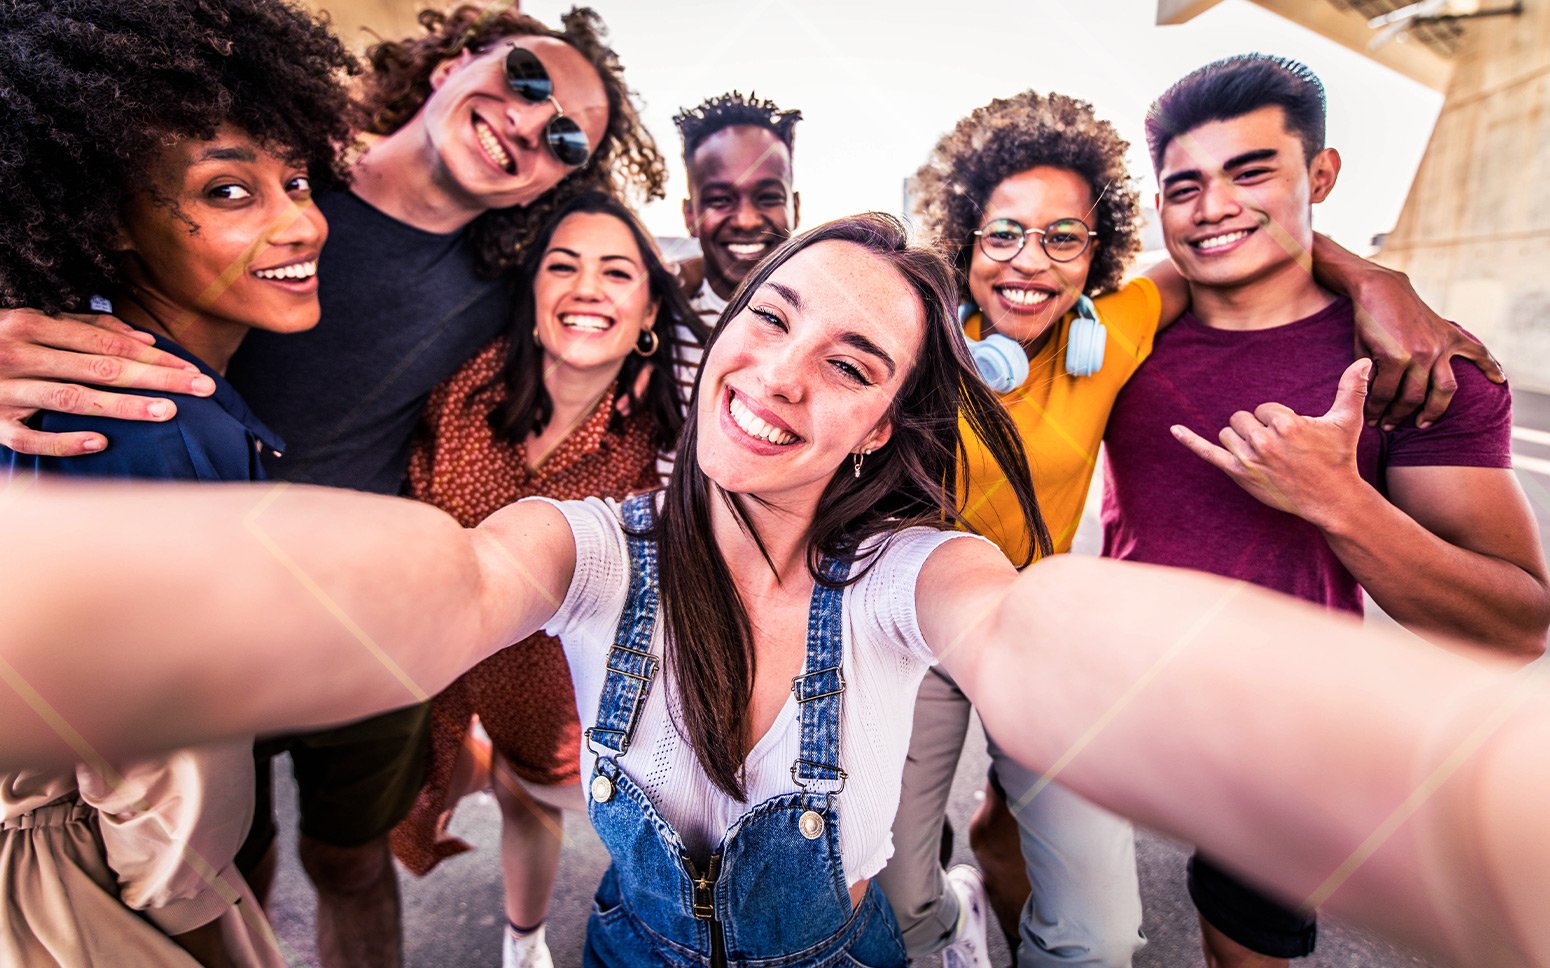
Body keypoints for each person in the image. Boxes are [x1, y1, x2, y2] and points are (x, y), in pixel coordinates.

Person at [1, 214, 1546, 968]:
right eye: (770, 319)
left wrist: (1466, 790)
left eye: (852, 362)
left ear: (885, 423)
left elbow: (1045, 635)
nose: (782, 379)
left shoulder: (912, 577)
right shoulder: (586, 541)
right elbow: (424, 592)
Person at [0, 5, 666, 965]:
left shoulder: (511, 270)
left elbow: (623, 306)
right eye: (526, 77)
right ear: (454, 58)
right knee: (222, 863)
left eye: (566, 134)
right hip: (194, 599)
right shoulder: (254, 155)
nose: (530, 122)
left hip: (361, 613)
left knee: (350, 861)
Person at [885, 89, 1506, 968]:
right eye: (1003, 233)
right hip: (908, 641)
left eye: (1064, 236)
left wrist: (1375, 276)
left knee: (1100, 936)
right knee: (896, 901)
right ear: (965, 239)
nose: (1032, 260)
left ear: (1096, 252)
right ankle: (956, 918)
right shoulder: (912, 348)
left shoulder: (1119, 332)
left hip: (1037, 637)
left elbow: (1227, 246)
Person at [1102, 53, 1550, 968]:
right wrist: (1366, 270)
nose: (1213, 206)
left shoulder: (1420, 373)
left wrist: (1340, 502)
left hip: (1278, 730)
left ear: (1322, 175)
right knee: (1040, 885)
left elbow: (1516, 625)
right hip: (1105, 692)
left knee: (1249, 951)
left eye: (1250, 171)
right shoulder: (1130, 327)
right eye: (1183, 185)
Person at [0, 0, 353, 963]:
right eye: (230, 193)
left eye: (295, 180)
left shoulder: (67, 379)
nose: (301, 224)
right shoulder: (148, 419)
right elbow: (163, 783)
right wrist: (200, 930)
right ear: (107, 219)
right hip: (88, 890)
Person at [388, 191, 691, 968]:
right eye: (564, 266)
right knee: (399, 801)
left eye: (616, 272)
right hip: (425, 655)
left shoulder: (662, 445)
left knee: (534, 800)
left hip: (553, 677)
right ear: (531, 300)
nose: (586, 287)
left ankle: (523, 944)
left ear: (648, 308)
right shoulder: (462, 388)